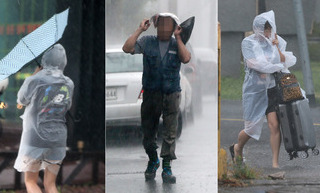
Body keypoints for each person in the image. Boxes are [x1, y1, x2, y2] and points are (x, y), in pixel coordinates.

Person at [122, 13, 191, 183]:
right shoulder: (147, 42)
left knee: (170, 133)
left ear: (174, 27)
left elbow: (186, 58)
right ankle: (153, 160)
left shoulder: (177, 44)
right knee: (148, 133)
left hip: (171, 93)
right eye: (161, 24)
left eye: (168, 25)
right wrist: (140, 29)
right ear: (155, 26)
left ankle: (167, 168)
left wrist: (179, 37)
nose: (164, 28)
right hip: (151, 94)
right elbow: (127, 48)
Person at [229, 10, 296, 168]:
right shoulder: (248, 42)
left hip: (271, 89)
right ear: (257, 28)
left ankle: (275, 163)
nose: (267, 32)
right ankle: (237, 148)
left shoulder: (274, 40)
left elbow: (284, 60)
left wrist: (276, 47)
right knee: (251, 129)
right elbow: (254, 64)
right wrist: (274, 66)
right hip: (254, 90)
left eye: (269, 29)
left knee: (274, 125)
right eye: (265, 29)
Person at [14, 44, 74, 193]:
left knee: (30, 181)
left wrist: (34, 76)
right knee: (50, 184)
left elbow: (21, 100)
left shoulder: (35, 80)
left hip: (35, 137)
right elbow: (67, 105)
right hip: (58, 139)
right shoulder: (68, 83)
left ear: (45, 59)